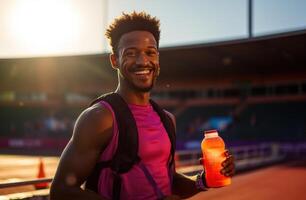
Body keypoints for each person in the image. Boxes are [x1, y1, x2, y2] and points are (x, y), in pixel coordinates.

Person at [50, 11, 235, 200]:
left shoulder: (167, 119)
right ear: (115, 60)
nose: (142, 61)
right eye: (130, 53)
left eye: (150, 53)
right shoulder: (100, 117)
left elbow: (168, 181)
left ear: (158, 60)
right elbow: (61, 192)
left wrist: (204, 180)